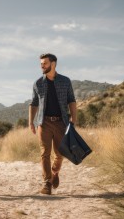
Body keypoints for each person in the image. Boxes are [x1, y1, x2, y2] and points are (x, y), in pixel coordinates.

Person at [28, 53, 77, 195]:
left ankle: (55, 172)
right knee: (44, 153)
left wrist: (74, 118)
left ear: (53, 64)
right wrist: (31, 122)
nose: (42, 66)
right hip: (43, 122)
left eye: (45, 63)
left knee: (60, 153)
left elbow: (71, 100)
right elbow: (34, 103)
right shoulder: (38, 83)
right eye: (41, 64)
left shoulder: (65, 81)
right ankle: (47, 182)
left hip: (61, 122)